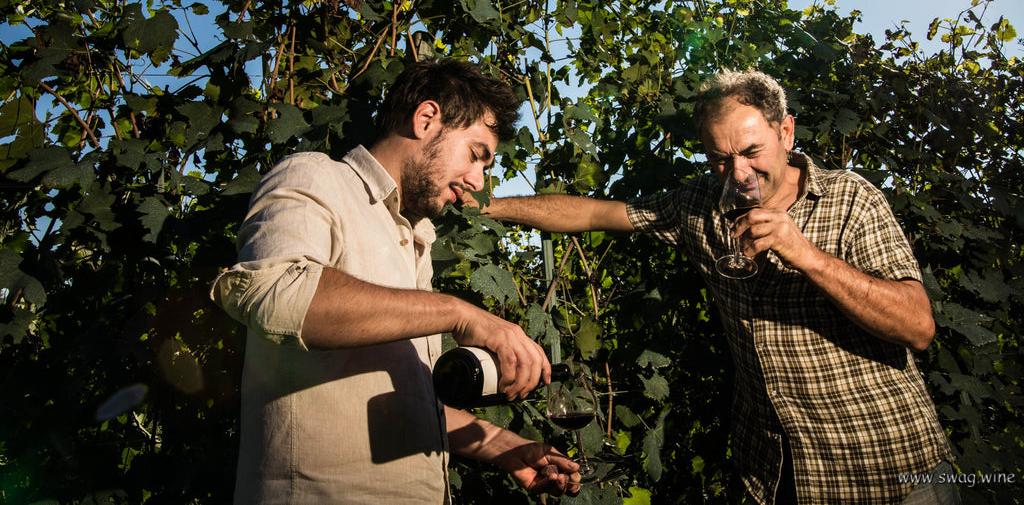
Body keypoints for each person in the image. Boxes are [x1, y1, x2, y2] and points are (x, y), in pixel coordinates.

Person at [471, 69, 957, 504]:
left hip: (894, 473)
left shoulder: (852, 199)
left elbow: (917, 326)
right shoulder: (699, 205)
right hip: (776, 474)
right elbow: (596, 212)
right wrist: (487, 208)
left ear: (785, 132)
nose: (738, 173)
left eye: (751, 152)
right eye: (719, 159)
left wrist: (805, 254)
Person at [210, 59, 580, 503]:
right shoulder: (315, 177)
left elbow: (407, 400)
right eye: (476, 154)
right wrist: (460, 314)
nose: (479, 181)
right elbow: (277, 294)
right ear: (426, 120)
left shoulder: (415, 243)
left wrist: (507, 448)